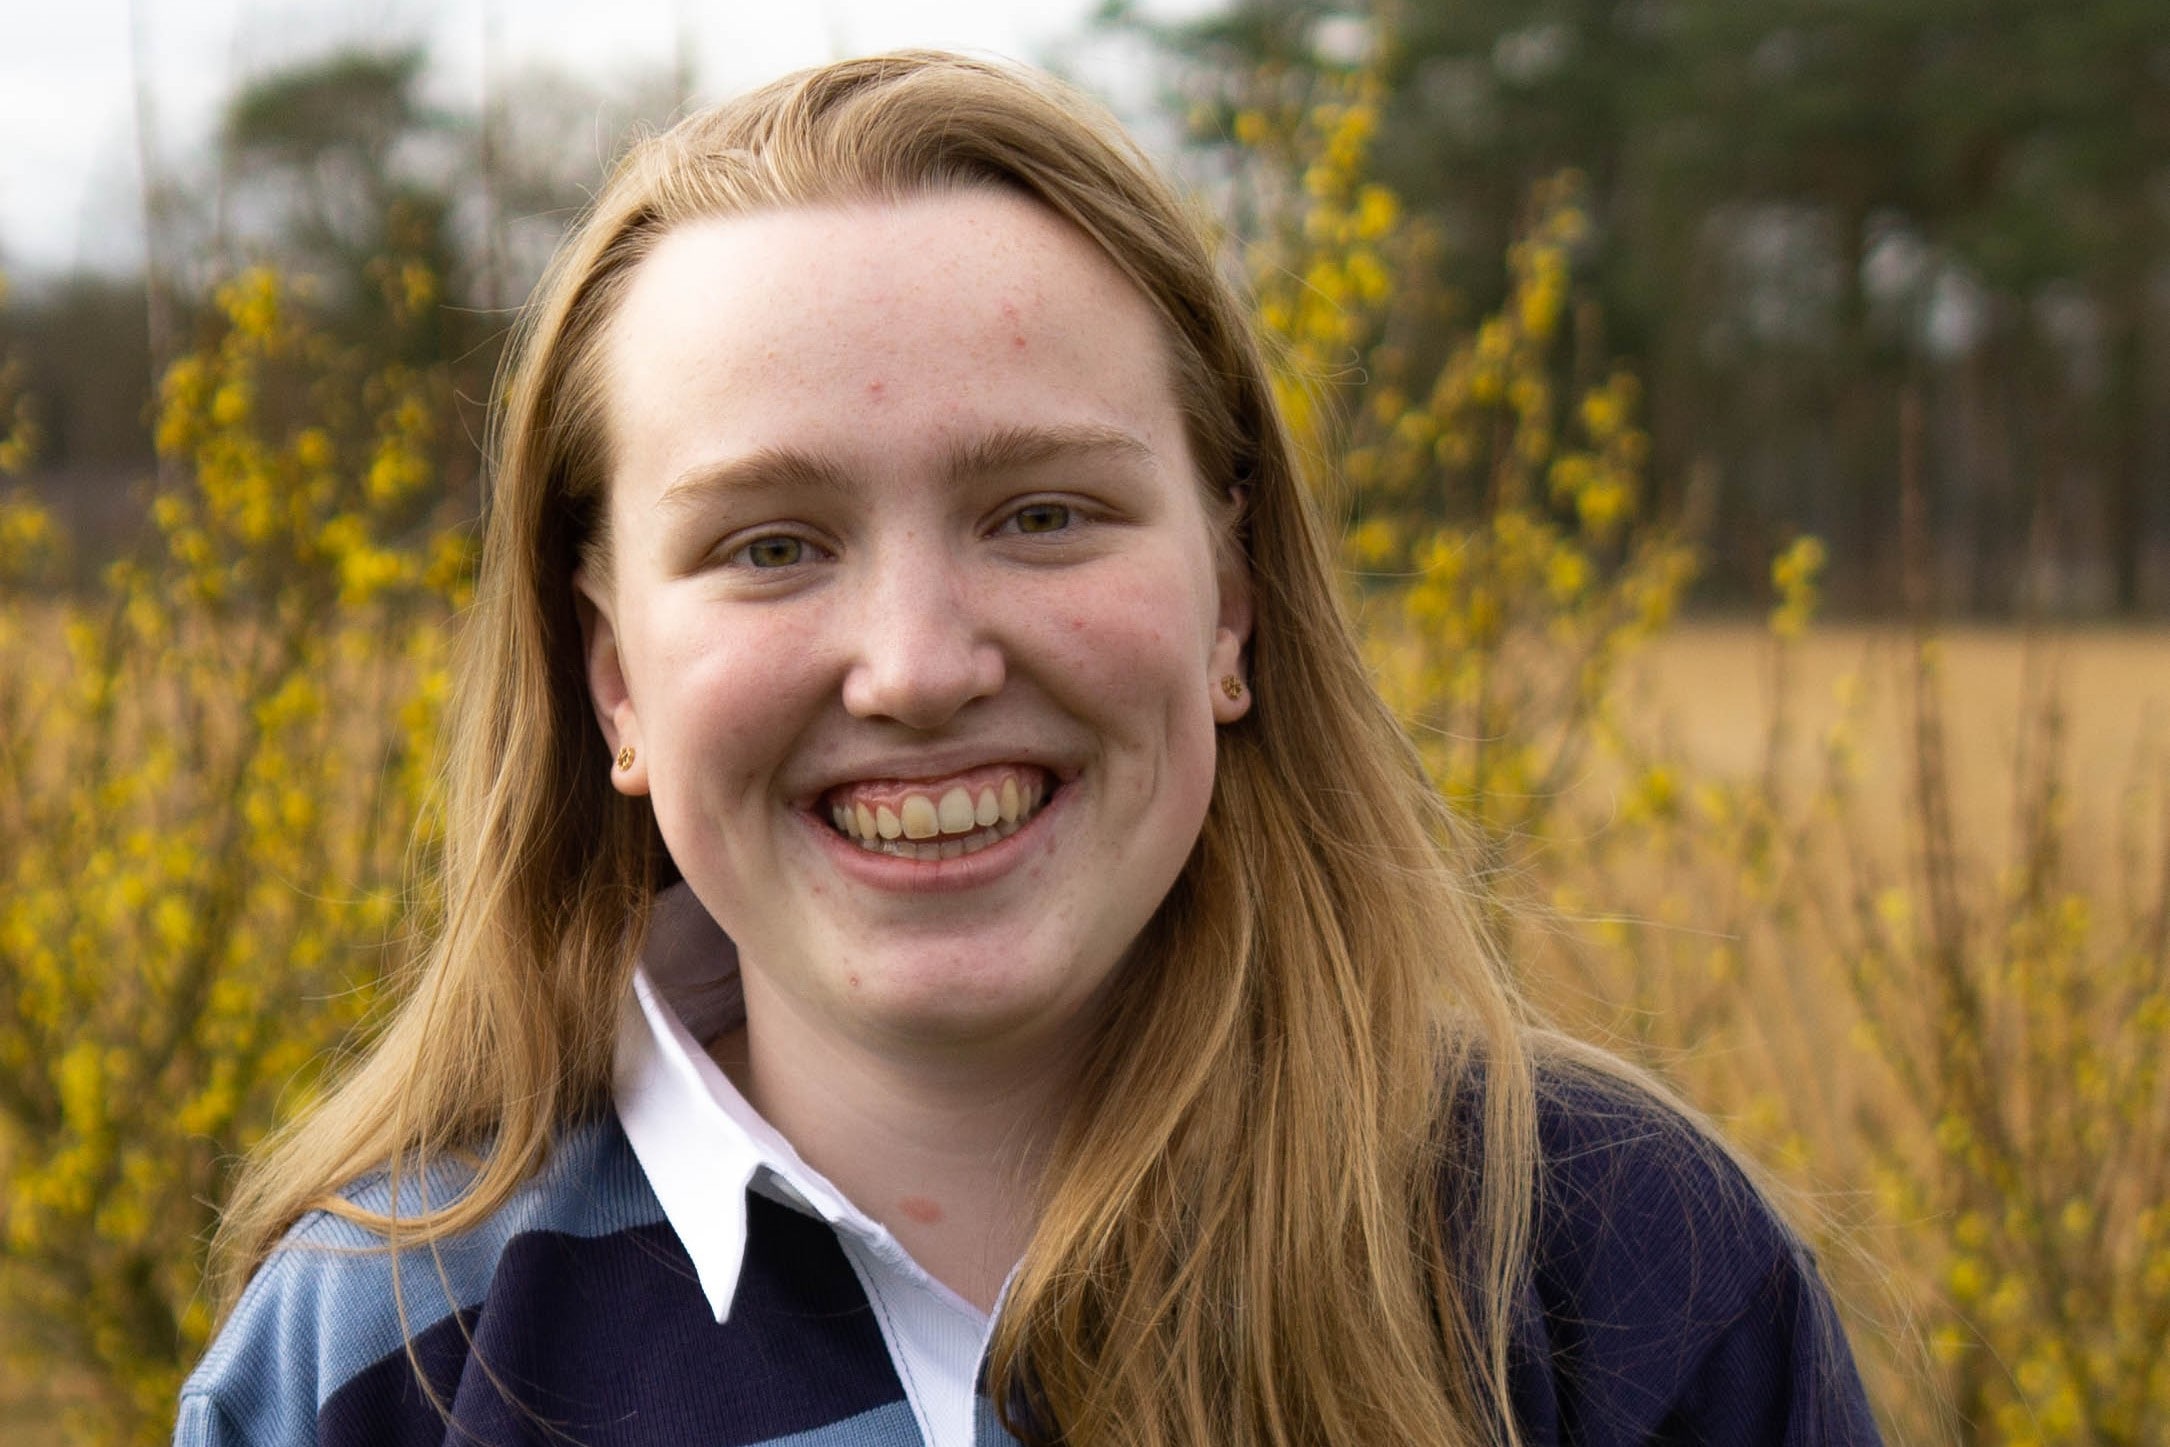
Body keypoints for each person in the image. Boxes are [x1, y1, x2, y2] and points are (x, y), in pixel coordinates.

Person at [176, 51, 1881, 1447]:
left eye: (1042, 513)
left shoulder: (1608, 1273)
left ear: (1231, 607)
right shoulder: (369, 1362)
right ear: (614, 679)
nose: (918, 668)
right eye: (770, 545)